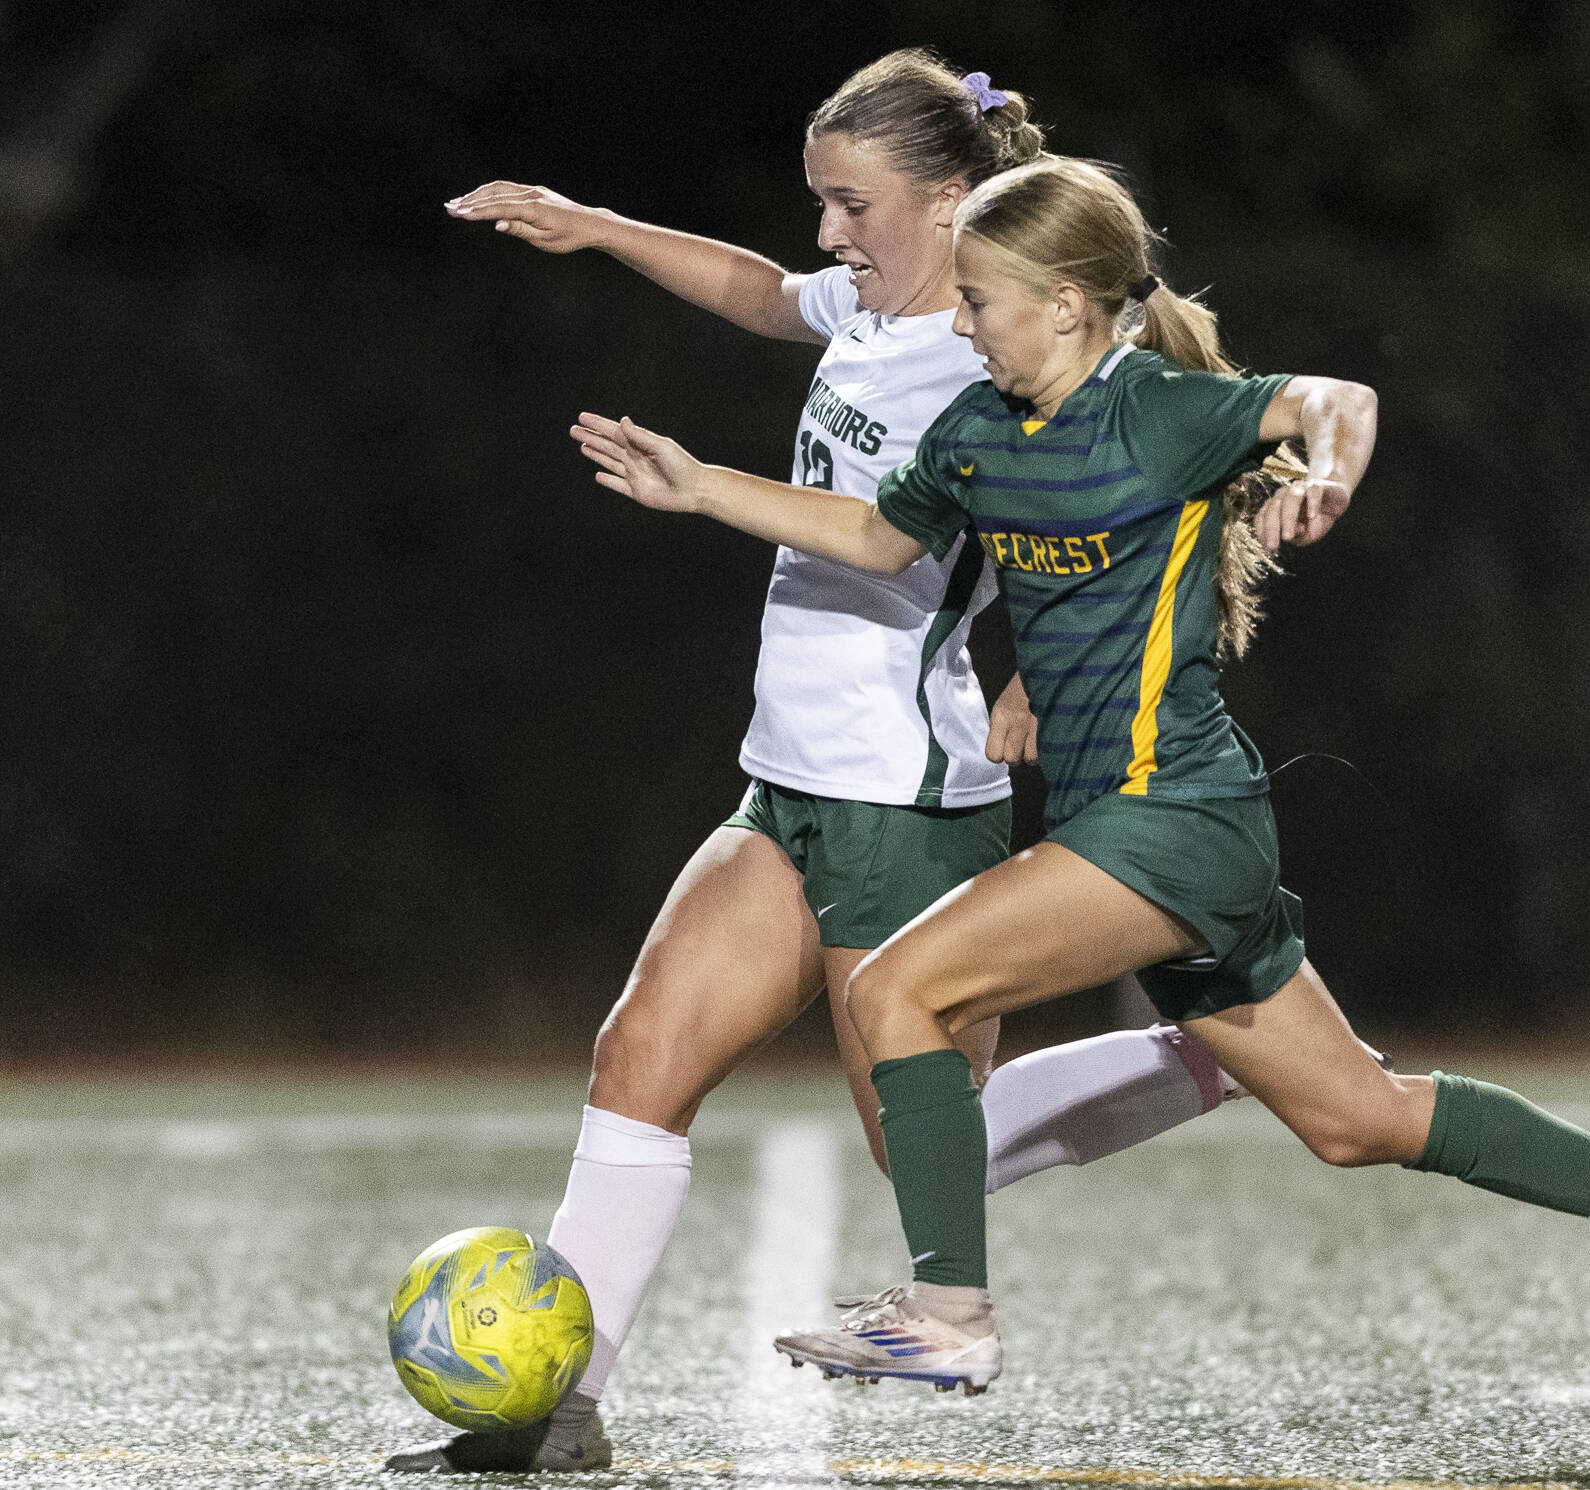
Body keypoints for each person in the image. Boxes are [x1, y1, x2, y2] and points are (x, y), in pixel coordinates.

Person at [569, 156, 1590, 1399]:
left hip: (1173, 819)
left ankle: (947, 1312)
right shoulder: (977, 428)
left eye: (979, 300)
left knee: (895, 991)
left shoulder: (1155, 410)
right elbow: (873, 536)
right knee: (1358, 1119)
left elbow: (1333, 395)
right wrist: (697, 486)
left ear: (1068, 305)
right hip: (1131, 828)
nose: (960, 323)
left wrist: (1331, 472)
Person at [390, 58, 1253, 1475]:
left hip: (904, 800)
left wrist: (1044, 655)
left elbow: (1100, 492)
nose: (830, 235)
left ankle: (1209, 1056)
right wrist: (596, 223)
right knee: (639, 1058)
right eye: (821, 205)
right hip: (786, 780)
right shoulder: (868, 305)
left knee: (931, 1147)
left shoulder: (996, 358)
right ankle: (554, 1414)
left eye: (853, 206)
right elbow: (752, 291)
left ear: (954, 201)